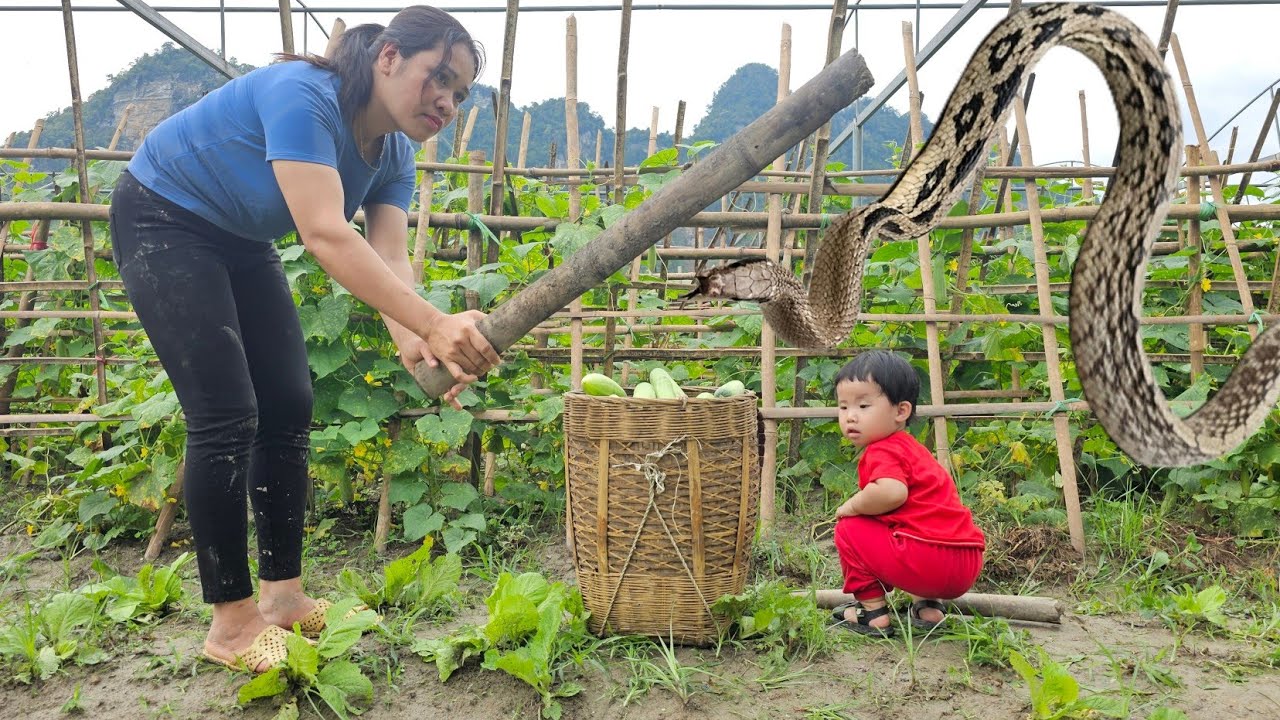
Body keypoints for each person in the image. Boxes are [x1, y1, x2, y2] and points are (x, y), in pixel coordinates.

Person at [108, 6, 501, 672]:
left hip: (238, 236)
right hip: (163, 215)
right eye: (439, 77)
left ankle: (283, 598)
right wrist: (436, 321)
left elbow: (389, 257)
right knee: (226, 414)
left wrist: (415, 340)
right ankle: (230, 626)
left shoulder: (395, 154)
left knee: (289, 404)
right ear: (388, 58)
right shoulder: (305, 97)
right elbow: (324, 234)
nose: (447, 101)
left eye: (460, 93)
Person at [828, 351, 985, 637]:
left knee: (849, 528)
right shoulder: (915, 451)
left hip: (927, 561)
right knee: (908, 526)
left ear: (901, 411)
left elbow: (891, 492)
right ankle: (929, 608)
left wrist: (852, 505)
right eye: (843, 407)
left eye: (863, 405)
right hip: (965, 562)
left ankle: (872, 613)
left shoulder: (882, 449)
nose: (851, 416)